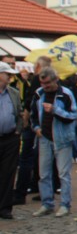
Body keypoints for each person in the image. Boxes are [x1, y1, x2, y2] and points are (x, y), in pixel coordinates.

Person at [30, 67, 77, 217]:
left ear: (55, 79)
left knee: (63, 174)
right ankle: (47, 203)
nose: (45, 86)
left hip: (62, 139)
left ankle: (65, 204)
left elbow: (73, 116)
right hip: (44, 137)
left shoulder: (65, 94)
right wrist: (36, 127)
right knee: (43, 173)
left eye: (48, 83)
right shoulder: (39, 94)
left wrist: (55, 110)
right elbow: (33, 113)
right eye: (42, 83)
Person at [15, 56, 50, 204]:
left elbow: (30, 100)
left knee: (27, 156)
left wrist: (26, 118)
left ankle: (21, 191)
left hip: (34, 122)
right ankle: (38, 186)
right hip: (46, 123)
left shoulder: (37, 79)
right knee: (42, 157)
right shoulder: (53, 79)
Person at [0, 61, 24, 220]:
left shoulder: (13, 93)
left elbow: (20, 113)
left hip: (10, 138)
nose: (9, 77)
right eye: (7, 74)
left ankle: (5, 207)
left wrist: (18, 131)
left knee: (8, 173)